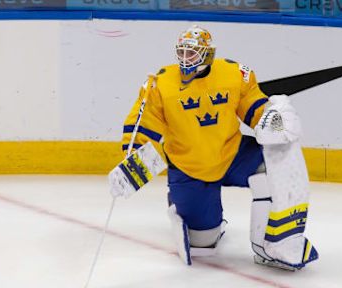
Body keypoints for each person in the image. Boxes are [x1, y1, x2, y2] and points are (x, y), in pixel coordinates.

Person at [110, 25, 318, 270]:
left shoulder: (233, 73)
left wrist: (273, 120)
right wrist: (133, 156)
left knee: (277, 163)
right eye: (183, 53)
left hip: (233, 154)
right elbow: (144, 122)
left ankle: (273, 244)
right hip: (190, 168)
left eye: (192, 53)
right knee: (203, 245)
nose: (186, 59)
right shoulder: (161, 83)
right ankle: (186, 207)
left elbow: (253, 105)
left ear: (207, 54)